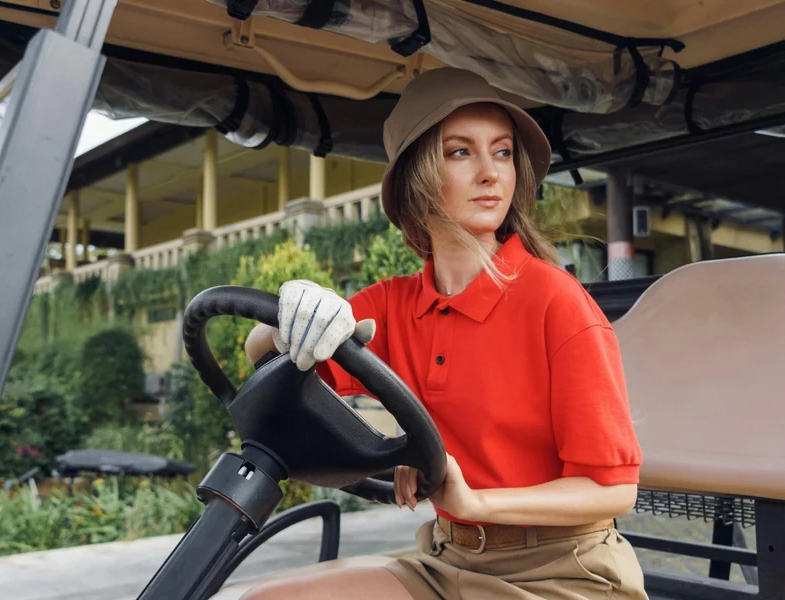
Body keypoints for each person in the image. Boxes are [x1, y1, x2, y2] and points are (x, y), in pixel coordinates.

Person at [242, 67, 646, 600]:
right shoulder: (395, 302)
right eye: (461, 152)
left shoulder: (556, 301)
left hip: (562, 572)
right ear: (418, 176)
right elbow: (270, 363)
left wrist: (476, 502)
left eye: (502, 153)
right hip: (446, 560)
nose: (490, 173)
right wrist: (286, 316)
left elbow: (613, 489)